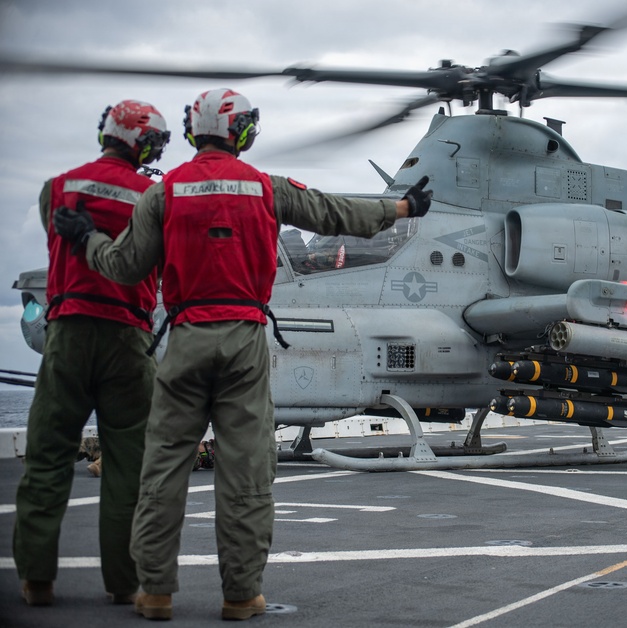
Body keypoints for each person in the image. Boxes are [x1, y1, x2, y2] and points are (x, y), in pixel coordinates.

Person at [54, 87, 432, 621]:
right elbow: (332, 212)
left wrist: (87, 240)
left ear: (193, 132)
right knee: (247, 472)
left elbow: (121, 267)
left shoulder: (163, 195)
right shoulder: (266, 188)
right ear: (243, 133)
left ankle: (156, 591)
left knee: (163, 469)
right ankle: (240, 595)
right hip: (244, 341)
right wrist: (400, 208)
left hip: (184, 340)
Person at [13, 100, 170, 606]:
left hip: (68, 332)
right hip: (127, 337)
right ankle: (123, 583)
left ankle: (37, 579)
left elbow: (54, 239)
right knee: (129, 463)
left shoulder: (59, 188)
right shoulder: (153, 196)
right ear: (146, 145)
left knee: (47, 454)